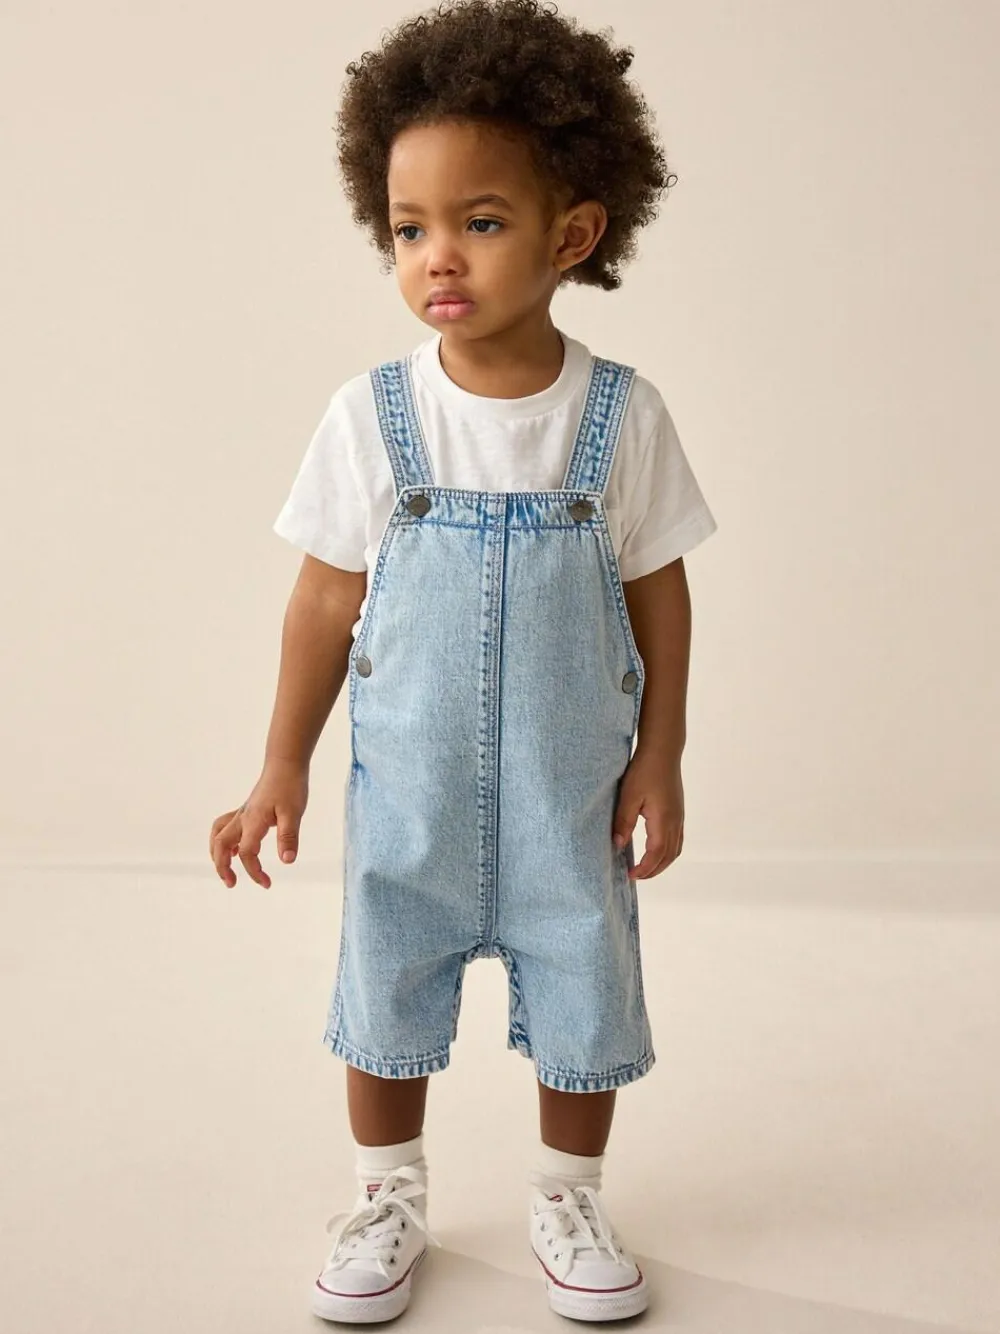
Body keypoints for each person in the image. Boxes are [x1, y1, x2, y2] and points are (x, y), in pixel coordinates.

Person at [209, 0, 717, 1322]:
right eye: (409, 229)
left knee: (585, 983)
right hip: (413, 794)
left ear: (573, 234)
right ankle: (386, 1194)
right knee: (385, 979)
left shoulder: (620, 417)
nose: (438, 255)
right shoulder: (373, 418)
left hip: (569, 793)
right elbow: (324, 600)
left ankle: (570, 1194)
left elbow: (658, 591)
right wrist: (279, 764)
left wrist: (661, 751)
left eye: (481, 222)